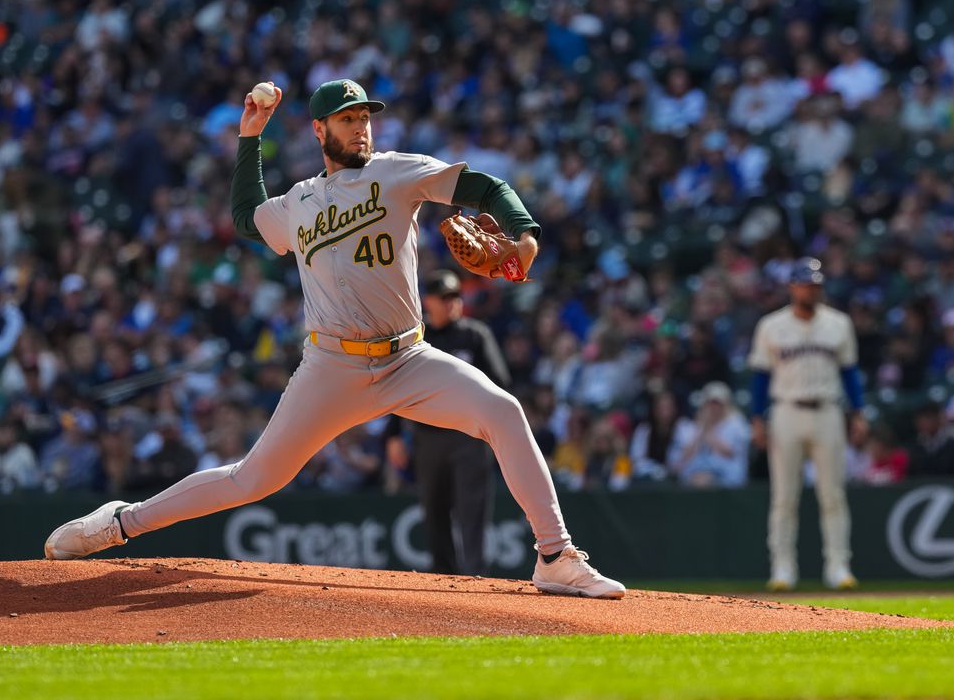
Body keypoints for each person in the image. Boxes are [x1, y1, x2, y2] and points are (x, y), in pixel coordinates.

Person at [43, 79, 624, 599]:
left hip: (408, 358)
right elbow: (247, 217)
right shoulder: (299, 203)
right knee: (252, 479)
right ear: (320, 129)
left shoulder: (397, 172)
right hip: (331, 368)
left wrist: (522, 235)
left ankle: (556, 557)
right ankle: (121, 522)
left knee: (503, 410)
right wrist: (251, 135)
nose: (361, 127)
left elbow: (485, 186)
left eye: (366, 117)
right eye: (348, 119)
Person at [749, 257, 864, 591]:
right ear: (792, 287)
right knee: (784, 497)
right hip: (786, 410)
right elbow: (759, 376)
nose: (810, 290)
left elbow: (850, 373)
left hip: (828, 410)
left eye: (815, 284)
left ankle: (838, 566)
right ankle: (782, 569)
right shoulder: (771, 326)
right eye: (804, 284)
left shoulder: (838, 324)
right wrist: (758, 418)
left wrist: (858, 413)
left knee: (833, 495)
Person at [385, 269, 506, 575]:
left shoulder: (474, 335)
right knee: (434, 511)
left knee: (471, 510)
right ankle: (444, 581)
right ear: (429, 301)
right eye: (444, 298)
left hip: (468, 436)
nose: (451, 304)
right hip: (429, 437)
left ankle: (477, 577)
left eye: (455, 298)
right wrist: (395, 434)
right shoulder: (418, 340)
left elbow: (500, 381)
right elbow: (397, 387)